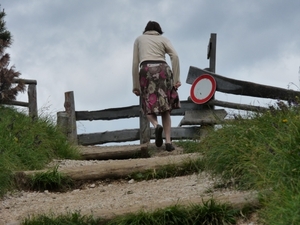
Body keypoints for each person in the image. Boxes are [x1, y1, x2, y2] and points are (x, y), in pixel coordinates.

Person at [132, 21, 181, 151]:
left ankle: (155, 124)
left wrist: (135, 86)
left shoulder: (139, 40)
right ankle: (169, 143)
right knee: (166, 107)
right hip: (162, 69)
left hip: (146, 69)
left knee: (147, 104)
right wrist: (176, 79)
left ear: (145, 30)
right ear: (159, 31)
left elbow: (135, 63)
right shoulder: (163, 39)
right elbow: (174, 56)